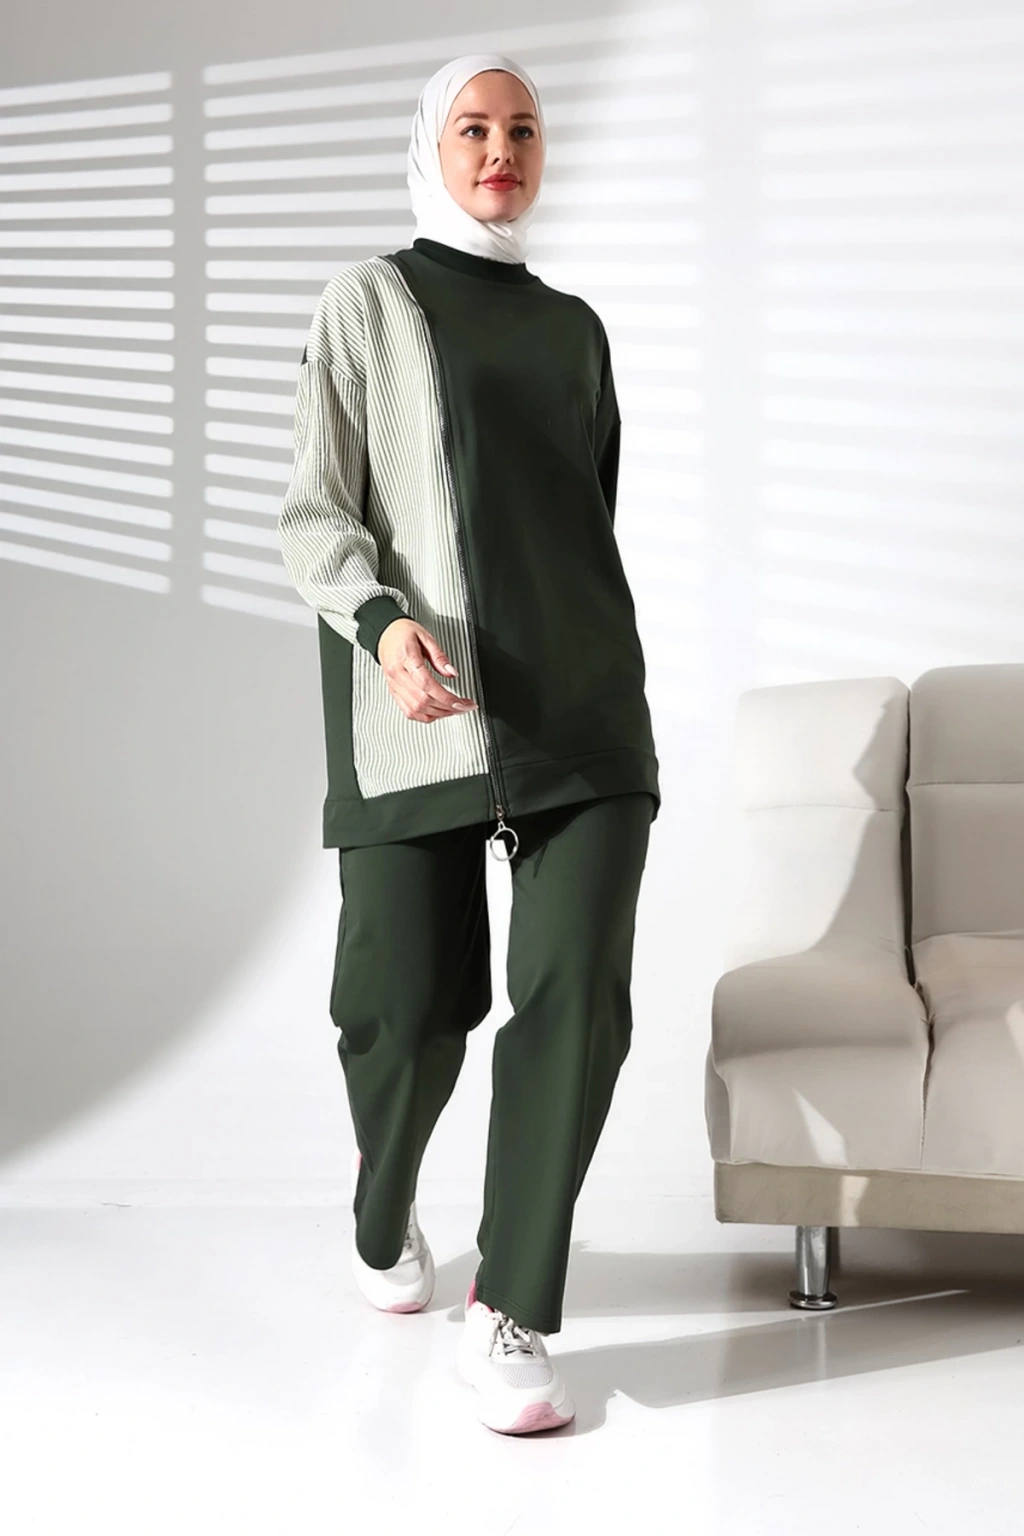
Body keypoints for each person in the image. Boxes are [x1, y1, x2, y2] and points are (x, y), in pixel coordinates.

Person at [277, 52, 660, 1436]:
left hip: (585, 713)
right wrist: (384, 625)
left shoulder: (574, 330)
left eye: (523, 130)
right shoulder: (367, 302)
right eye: (474, 129)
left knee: (576, 998)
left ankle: (513, 1307)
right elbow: (315, 513)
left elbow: (586, 517)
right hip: (416, 715)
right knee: (401, 1012)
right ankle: (383, 1210)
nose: (501, 151)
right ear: (430, 148)